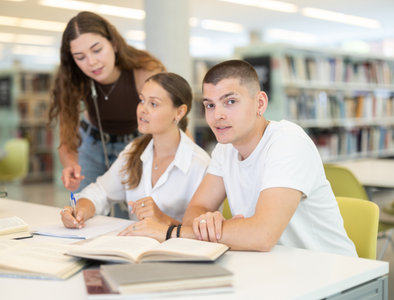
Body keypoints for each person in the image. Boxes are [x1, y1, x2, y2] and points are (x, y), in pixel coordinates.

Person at [121, 60, 357, 257]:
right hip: (273, 269)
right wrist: (207, 221)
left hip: (331, 273)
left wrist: (171, 232)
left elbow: (262, 235)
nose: (218, 115)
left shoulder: (287, 141)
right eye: (210, 105)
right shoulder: (225, 150)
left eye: (230, 102)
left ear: (260, 103)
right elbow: (196, 210)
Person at [60, 72, 210, 229]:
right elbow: (100, 192)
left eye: (153, 104)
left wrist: (162, 218)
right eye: (142, 100)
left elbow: (202, 231)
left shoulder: (199, 164)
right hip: (134, 247)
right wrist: (79, 211)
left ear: (179, 112)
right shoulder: (134, 151)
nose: (142, 110)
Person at [49, 11, 165, 193]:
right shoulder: (72, 78)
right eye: (80, 57)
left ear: (114, 44)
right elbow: (66, 139)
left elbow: (172, 118)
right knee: (85, 207)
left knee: (133, 213)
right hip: (92, 146)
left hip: (138, 144)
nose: (92, 62)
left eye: (97, 50)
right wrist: (70, 165)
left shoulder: (144, 69)